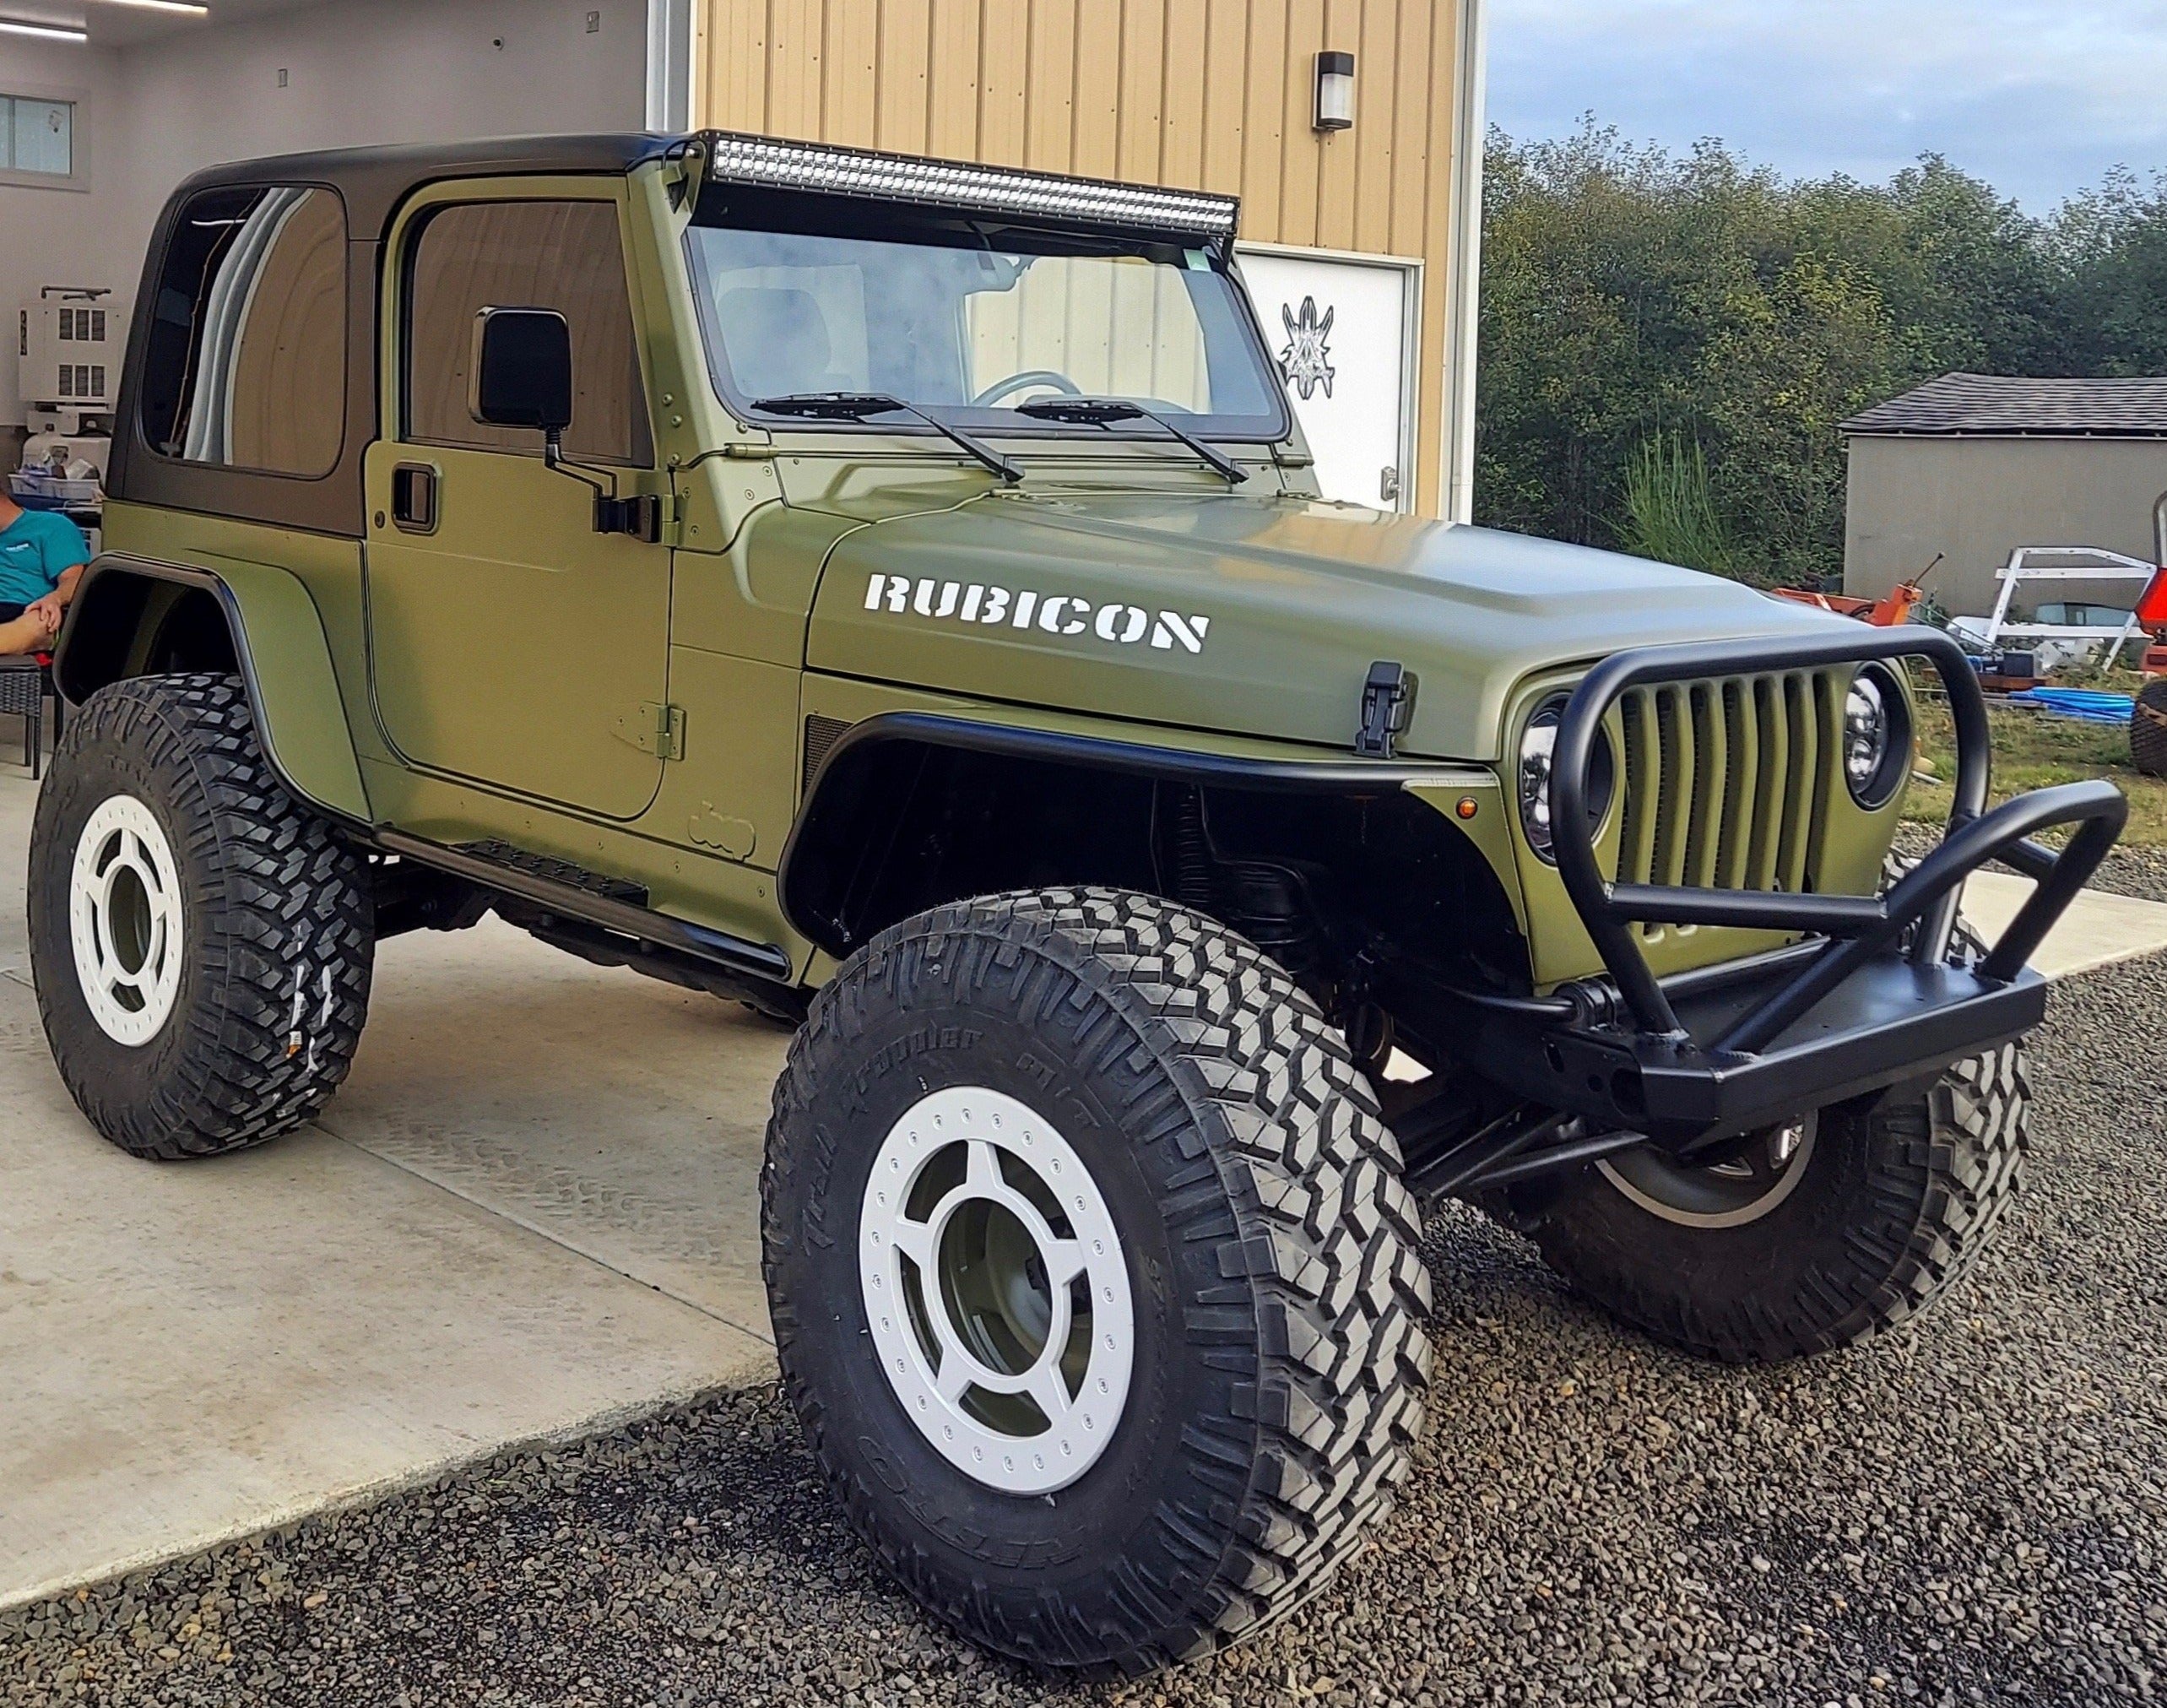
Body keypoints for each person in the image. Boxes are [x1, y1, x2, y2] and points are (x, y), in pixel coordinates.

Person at [0, 490, 91, 657]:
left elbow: (75, 580)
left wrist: (55, 598)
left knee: (41, 620)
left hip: (27, 610)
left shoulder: (52, 526)